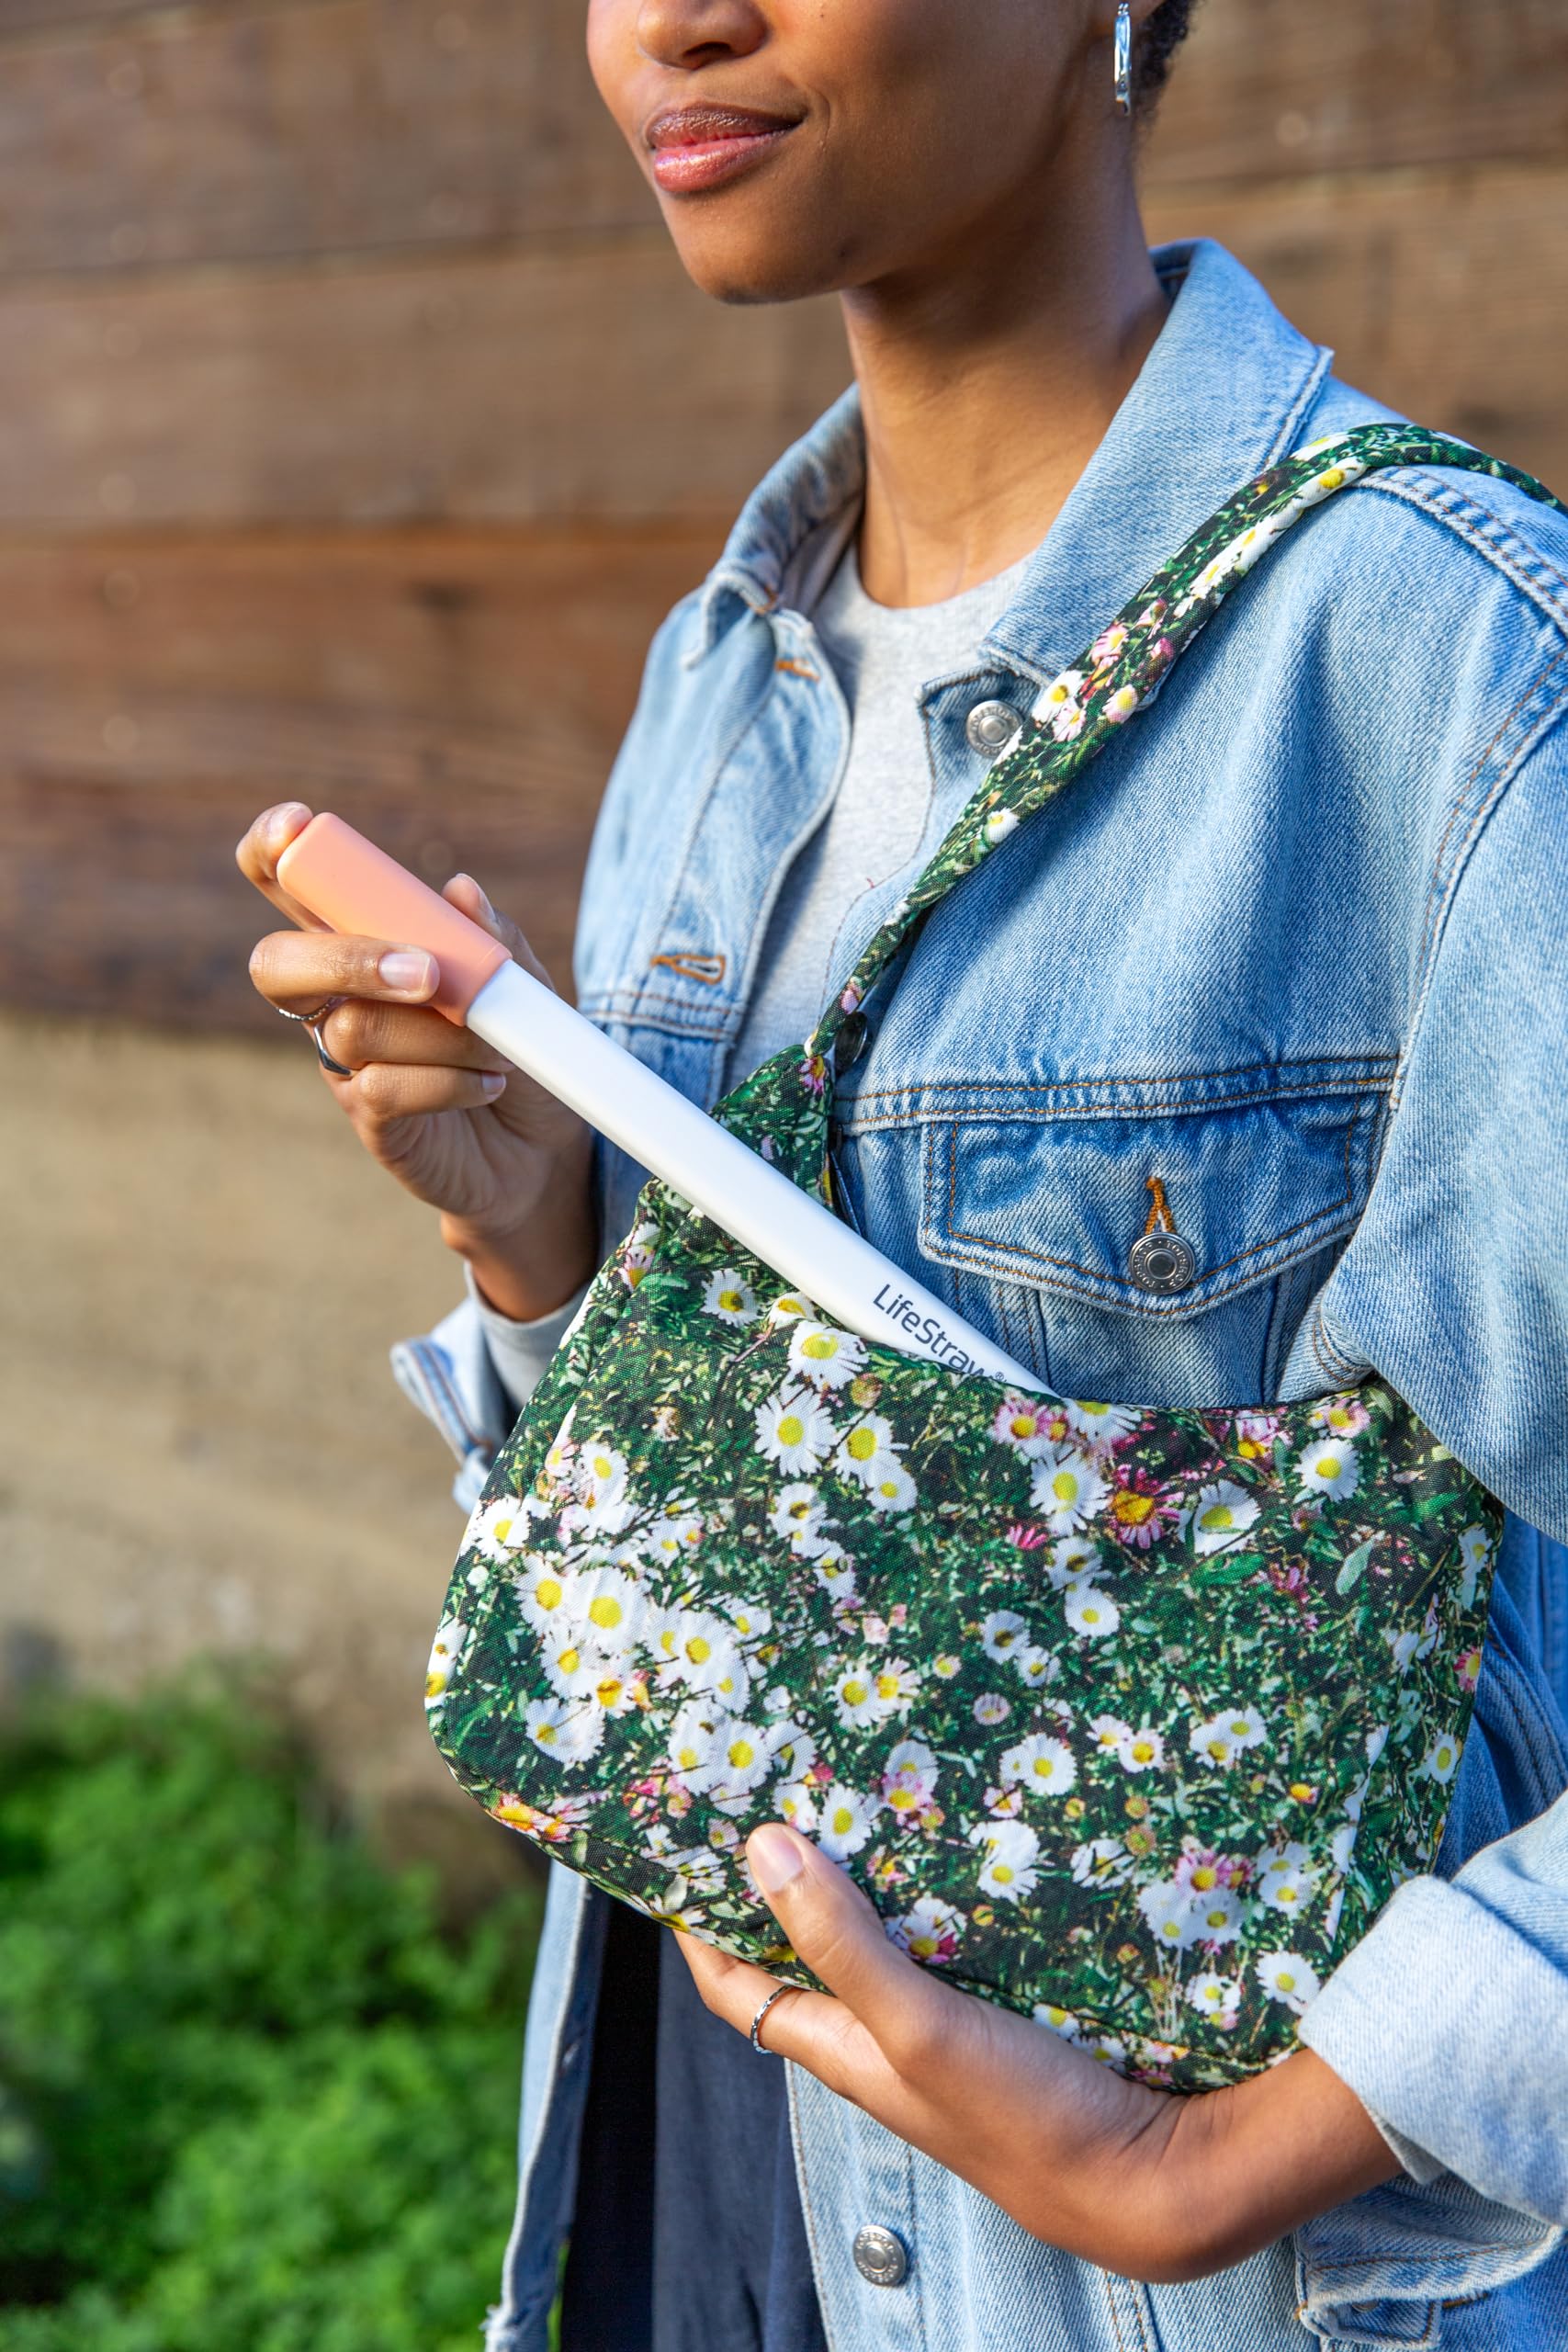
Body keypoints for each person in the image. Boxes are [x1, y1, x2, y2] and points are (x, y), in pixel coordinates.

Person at [240, 2, 1568, 2346]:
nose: (673, 18)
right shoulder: (718, 672)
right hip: (688, 2201)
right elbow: (766, 1553)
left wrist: (1210, 2163)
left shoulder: (1444, 673)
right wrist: (535, 1236)